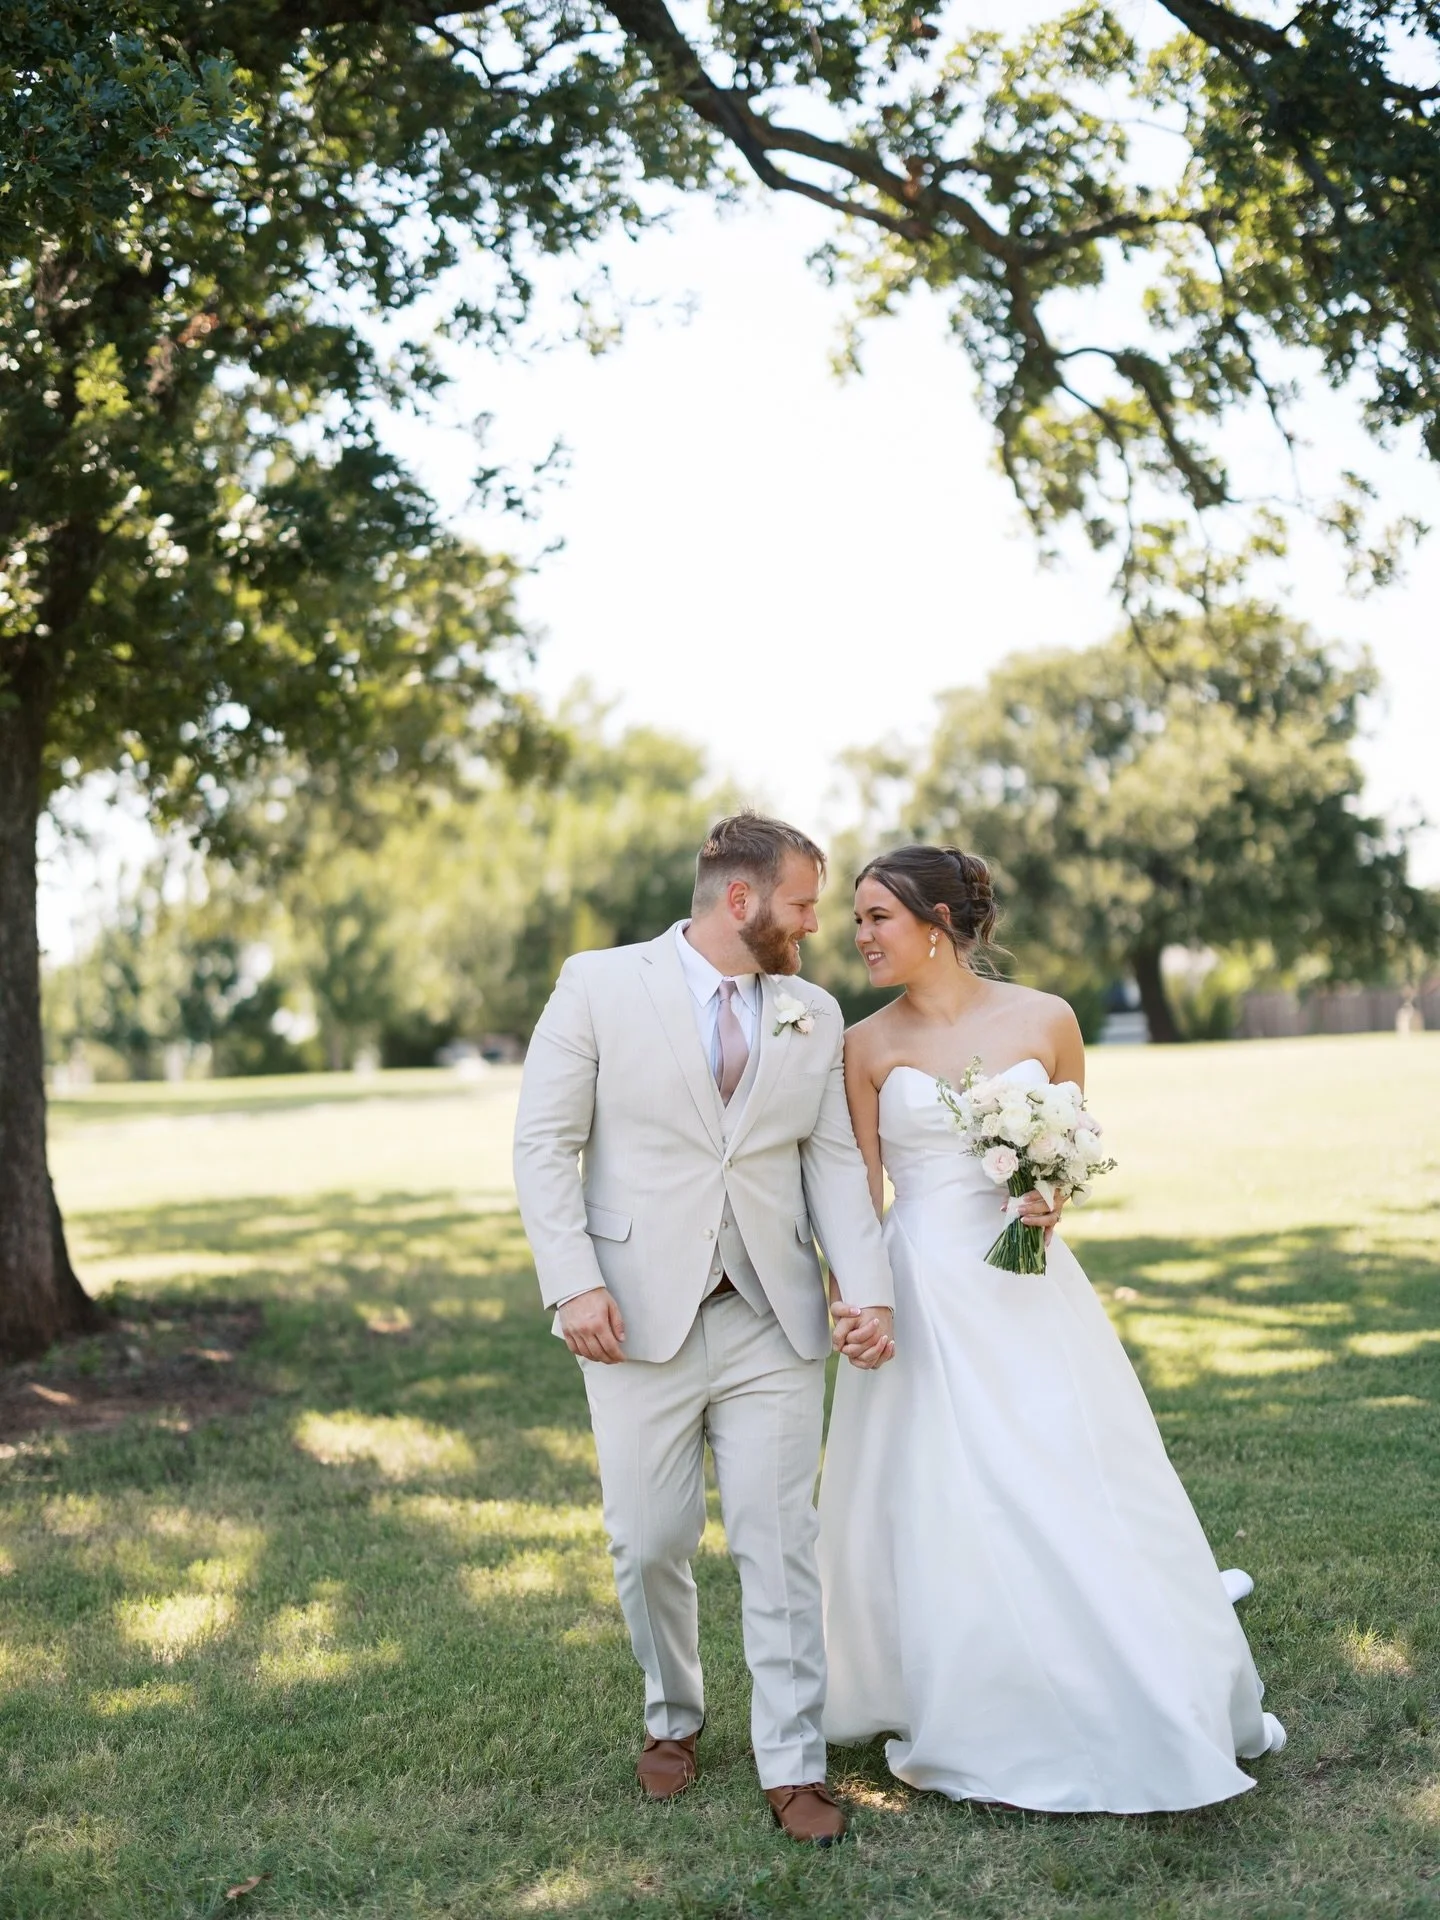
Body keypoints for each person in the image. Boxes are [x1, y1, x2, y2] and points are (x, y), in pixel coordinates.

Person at [817, 844, 1286, 1814]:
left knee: (1064, 1464)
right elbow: (857, 1189)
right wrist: (859, 1298)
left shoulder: (1046, 1019)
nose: (857, 936)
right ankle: (964, 1681)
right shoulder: (863, 1044)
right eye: (855, 918)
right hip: (921, 1287)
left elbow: (1066, 1146)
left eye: (875, 917)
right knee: (945, 1484)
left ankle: (1121, 1656)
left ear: (938, 924)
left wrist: (1048, 1201)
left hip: (1026, 1288)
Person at [513, 812, 896, 1845]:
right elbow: (544, 1143)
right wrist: (572, 1284)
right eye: (804, 906)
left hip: (773, 1315)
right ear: (742, 902)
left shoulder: (811, 1011)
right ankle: (672, 1715)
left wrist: (867, 1289)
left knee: (781, 1545)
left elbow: (829, 1166)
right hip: (633, 1316)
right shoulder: (598, 985)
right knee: (649, 1541)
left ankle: (795, 1762)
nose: (817, 929)